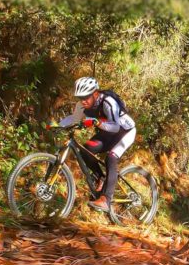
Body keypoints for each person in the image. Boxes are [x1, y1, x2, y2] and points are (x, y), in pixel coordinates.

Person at [56, 77, 136, 212]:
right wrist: (56, 125)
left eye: (86, 97)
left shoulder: (108, 102)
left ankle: (106, 200)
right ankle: (101, 177)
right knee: (86, 150)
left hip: (125, 132)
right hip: (107, 133)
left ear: (95, 93)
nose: (83, 101)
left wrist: (96, 122)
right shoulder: (81, 105)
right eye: (80, 97)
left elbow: (116, 127)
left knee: (111, 157)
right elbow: (73, 119)